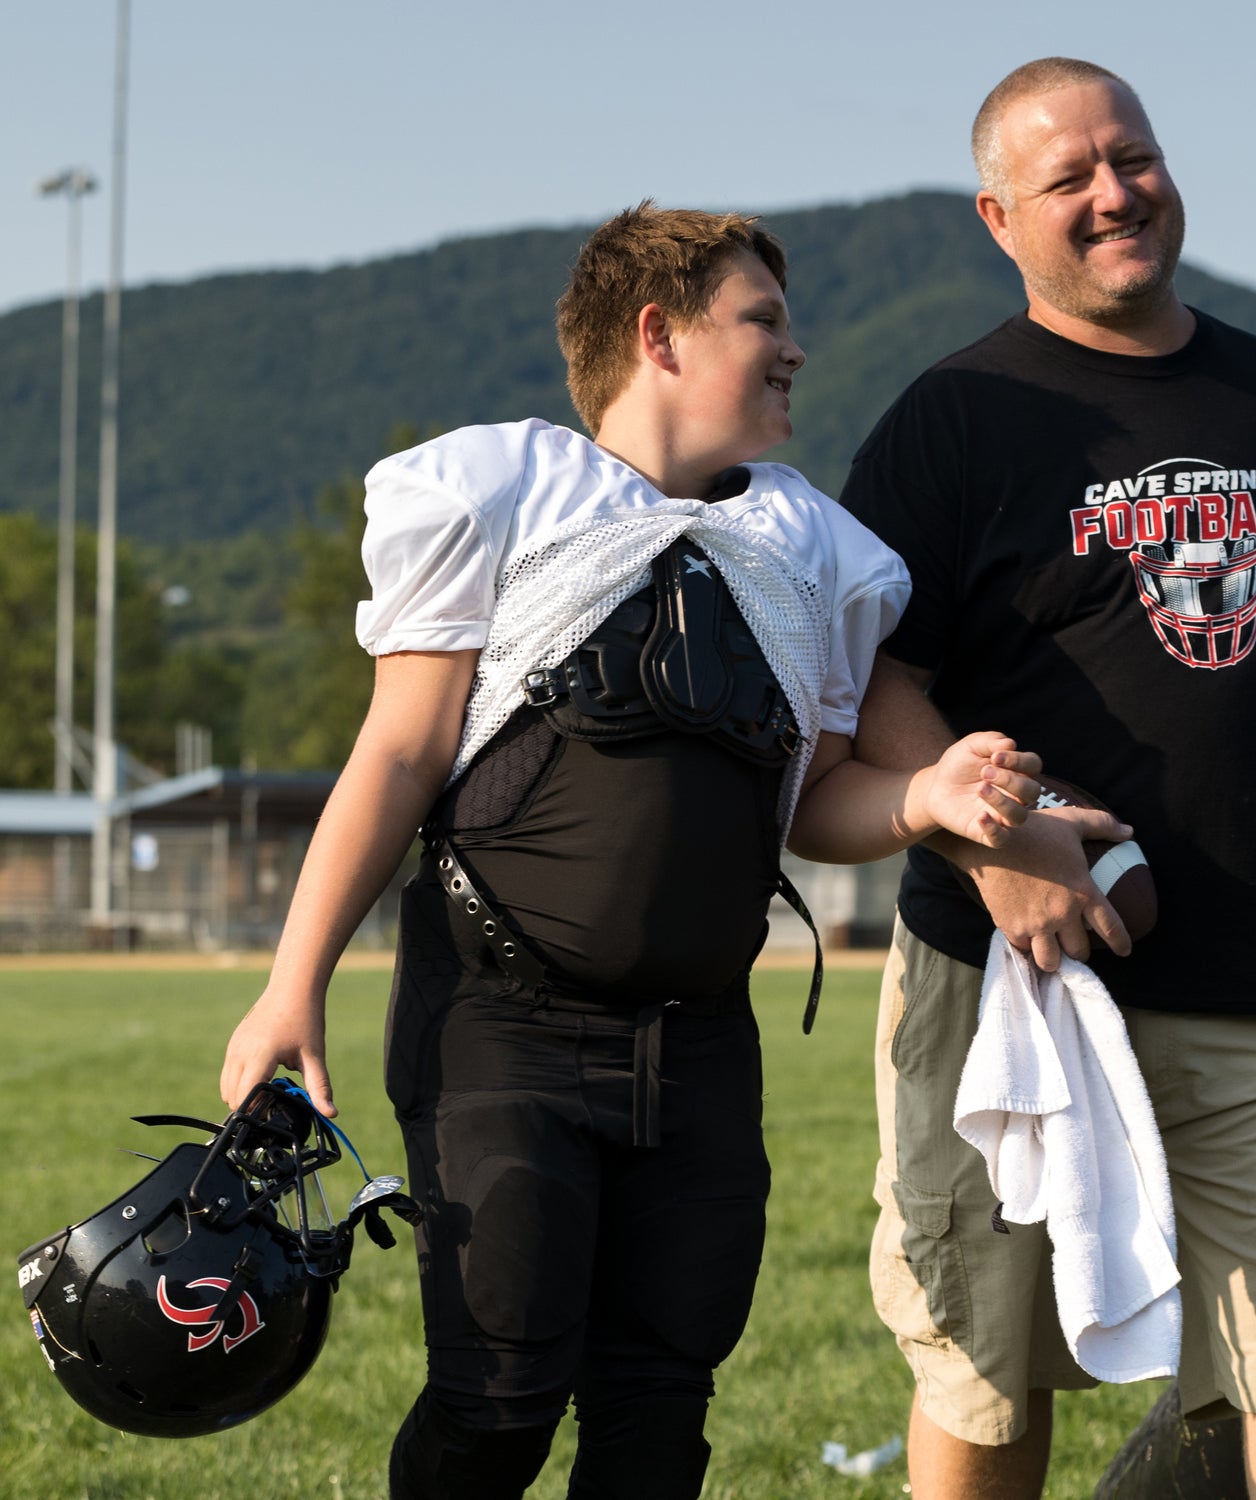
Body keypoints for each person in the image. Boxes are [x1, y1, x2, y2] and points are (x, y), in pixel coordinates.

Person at [217, 203, 1039, 1500]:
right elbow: (399, 754)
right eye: (763, 320)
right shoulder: (503, 491)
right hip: (500, 1021)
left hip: (701, 1039)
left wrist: (922, 796)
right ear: (658, 334)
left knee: (660, 1421)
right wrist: (292, 983)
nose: (795, 351)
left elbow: (816, 801)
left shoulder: (813, 546)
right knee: (497, 1399)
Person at [840, 58, 1256, 1500]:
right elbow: (875, 681)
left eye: (1128, 156)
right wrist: (993, 847)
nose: (1112, 193)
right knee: (983, 1369)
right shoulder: (953, 420)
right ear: (999, 217)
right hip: (1017, 990)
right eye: (1067, 178)